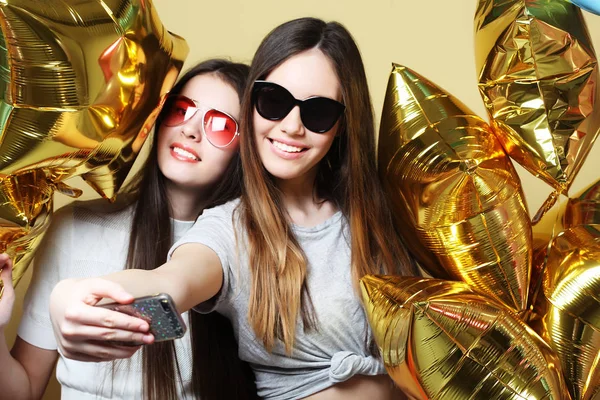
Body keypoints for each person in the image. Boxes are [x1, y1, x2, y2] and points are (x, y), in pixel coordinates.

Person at [48, 18, 417, 399]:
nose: (292, 126)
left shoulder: (380, 217)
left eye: (318, 112)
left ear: (342, 124)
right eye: (273, 102)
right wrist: (74, 295)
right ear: (252, 107)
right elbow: (173, 280)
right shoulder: (231, 229)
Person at [0, 59, 258, 400]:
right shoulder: (75, 227)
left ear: (247, 151)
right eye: (180, 110)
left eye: (221, 126)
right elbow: (23, 391)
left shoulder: (248, 250)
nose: (190, 130)